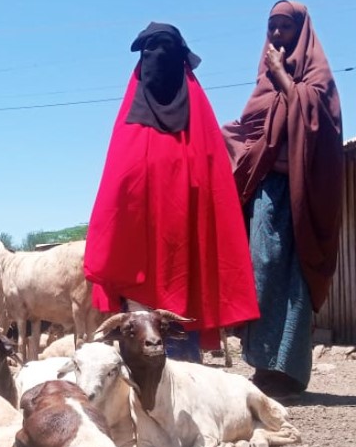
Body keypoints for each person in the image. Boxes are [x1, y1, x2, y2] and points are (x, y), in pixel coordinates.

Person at [85, 22, 260, 361]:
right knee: (139, 356)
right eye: (150, 51)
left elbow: (215, 200)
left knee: (181, 363)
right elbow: (114, 197)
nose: (157, 58)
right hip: (137, 263)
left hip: (185, 263)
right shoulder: (130, 128)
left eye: (165, 50)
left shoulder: (202, 132)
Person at [222, 0, 344, 398]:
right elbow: (252, 130)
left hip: (303, 195)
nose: (276, 35)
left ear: (301, 31)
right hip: (268, 193)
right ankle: (262, 364)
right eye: (271, 28)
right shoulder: (263, 81)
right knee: (263, 268)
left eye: (284, 28)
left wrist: (283, 76)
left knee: (295, 277)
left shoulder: (318, 77)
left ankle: (289, 373)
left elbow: (317, 125)